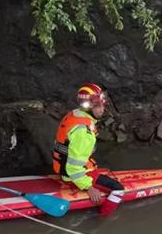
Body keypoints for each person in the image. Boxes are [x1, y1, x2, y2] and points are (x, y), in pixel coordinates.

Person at [52, 83, 125, 217]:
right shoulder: (83, 132)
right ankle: (102, 218)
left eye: (102, 105)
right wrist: (88, 187)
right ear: (88, 107)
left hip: (61, 168)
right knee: (119, 189)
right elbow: (73, 167)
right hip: (71, 176)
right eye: (97, 106)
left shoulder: (74, 115)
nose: (102, 109)